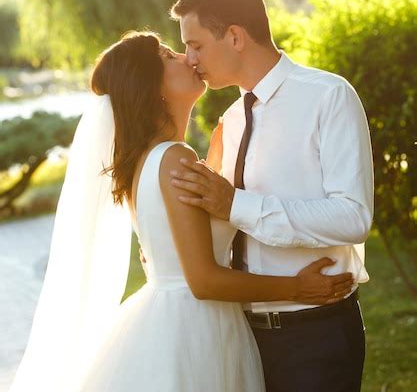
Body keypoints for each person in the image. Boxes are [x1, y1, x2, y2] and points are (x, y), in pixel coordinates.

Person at [8, 30, 353, 392]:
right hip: (194, 329)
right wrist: (297, 288)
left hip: (180, 319)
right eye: (169, 56)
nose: (187, 58)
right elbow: (203, 281)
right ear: (151, 86)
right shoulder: (173, 158)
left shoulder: (153, 159)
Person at [169, 0, 374, 392]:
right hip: (238, 337)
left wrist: (235, 205)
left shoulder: (328, 97)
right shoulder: (230, 119)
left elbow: (354, 216)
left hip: (315, 336)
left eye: (196, 45)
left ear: (236, 37)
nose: (190, 59)